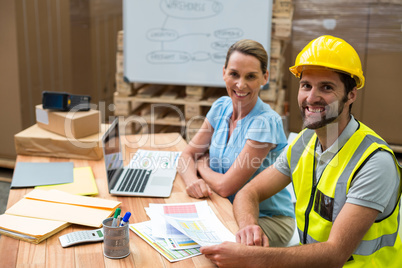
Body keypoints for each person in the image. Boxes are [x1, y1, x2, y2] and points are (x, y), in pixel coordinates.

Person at [200, 35, 402, 267]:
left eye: (326, 87)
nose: (311, 97)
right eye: (306, 86)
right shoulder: (305, 141)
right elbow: (249, 192)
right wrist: (249, 228)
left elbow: (335, 254)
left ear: (351, 95)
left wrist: (252, 257)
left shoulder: (374, 163)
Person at [177, 39, 295, 247]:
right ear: (224, 73)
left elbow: (225, 187)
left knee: (210, 249)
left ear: (265, 77)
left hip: (265, 219)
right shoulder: (220, 107)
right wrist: (192, 183)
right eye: (234, 74)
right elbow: (186, 156)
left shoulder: (265, 123)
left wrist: (202, 166)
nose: (241, 84)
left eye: (251, 76)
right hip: (224, 208)